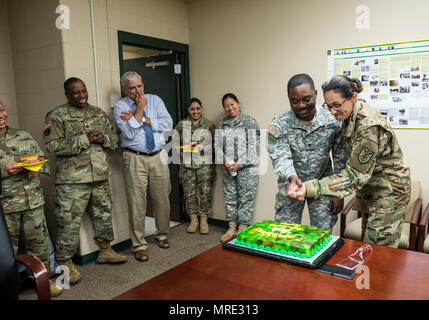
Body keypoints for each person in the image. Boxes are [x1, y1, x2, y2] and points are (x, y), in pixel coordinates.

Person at [288, 75, 411, 248]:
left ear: (353, 97)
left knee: (378, 251)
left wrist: (308, 188)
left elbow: (354, 176)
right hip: (373, 189)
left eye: (336, 105)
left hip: (389, 192)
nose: (332, 111)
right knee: (369, 245)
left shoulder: (368, 126)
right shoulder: (348, 116)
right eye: (328, 106)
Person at [43, 77, 126, 285]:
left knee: (103, 215)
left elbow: (116, 140)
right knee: (68, 224)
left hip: (99, 176)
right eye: (76, 92)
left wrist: (103, 139)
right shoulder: (57, 116)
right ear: (67, 95)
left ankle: (105, 250)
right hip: (72, 182)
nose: (82, 95)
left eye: (84, 91)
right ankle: (65, 264)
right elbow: (52, 146)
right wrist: (84, 139)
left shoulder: (98, 112)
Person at [267, 74, 348, 231]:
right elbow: (280, 157)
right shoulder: (279, 124)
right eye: (294, 101)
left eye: (307, 99)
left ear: (316, 94)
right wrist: (291, 177)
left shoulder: (332, 119)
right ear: (289, 98)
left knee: (322, 234)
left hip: (323, 184)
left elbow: (340, 159)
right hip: (288, 183)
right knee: (285, 232)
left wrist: (338, 193)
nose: (301, 105)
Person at [0, 100, 63, 297]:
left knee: (39, 245)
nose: (1, 115)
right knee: (7, 253)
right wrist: (4, 169)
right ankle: (8, 288)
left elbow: (44, 164)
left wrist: (31, 165)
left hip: (33, 203)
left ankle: (43, 281)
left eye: (1, 109)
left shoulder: (23, 136)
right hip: (5, 207)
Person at [114, 71, 173, 262]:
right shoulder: (120, 106)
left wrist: (141, 118)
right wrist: (139, 109)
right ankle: (139, 245)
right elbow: (129, 133)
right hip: (134, 158)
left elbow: (168, 125)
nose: (137, 90)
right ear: (125, 89)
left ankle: (162, 235)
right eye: (132, 87)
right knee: (137, 203)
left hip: (158, 156)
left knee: (162, 198)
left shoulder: (155, 100)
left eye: (139, 86)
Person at [218, 93, 260, 243]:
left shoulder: (249, 122)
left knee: (246, 199)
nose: (230, 108)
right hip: (228, 169)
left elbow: (254, 147)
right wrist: (224, 159)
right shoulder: (222, 124)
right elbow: (217, 147)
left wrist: (239, 163)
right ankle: (231, 228)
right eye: (226, 106)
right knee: (230, 198)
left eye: (232, 104)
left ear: (238, 103)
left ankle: (242, 229)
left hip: (247, 169)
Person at [175, 98, 215, 234]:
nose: (195, 111)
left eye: (198, 108)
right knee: (189, 193)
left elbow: (215, 144)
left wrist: (204, 147)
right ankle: (193, 220)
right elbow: (174, 143)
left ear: (201, 109)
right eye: (192, 109)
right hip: (187, 165)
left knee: (205, 193)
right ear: (188, 110)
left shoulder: (208, 125)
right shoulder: (181, 125)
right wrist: (179, 152)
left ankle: (204, 219)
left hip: (204, 165)